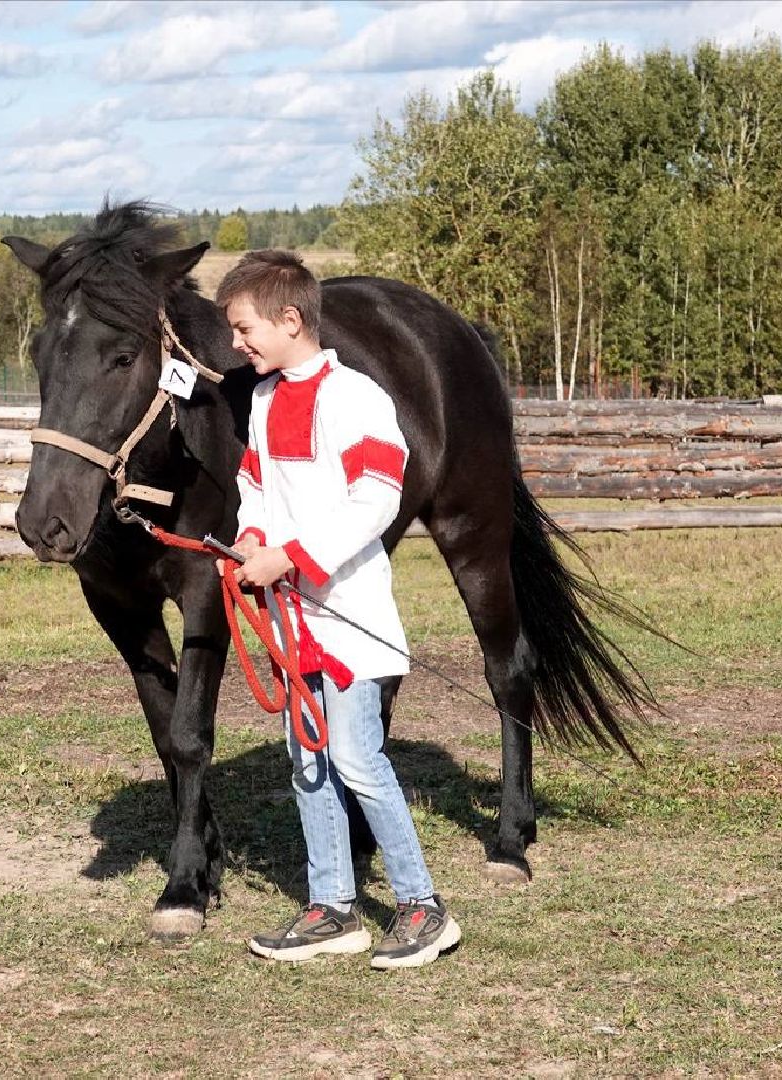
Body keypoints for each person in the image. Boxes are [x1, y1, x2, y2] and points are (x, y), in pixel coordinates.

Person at [214, 250, 460, 970]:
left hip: (349, 614)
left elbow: (377, 500)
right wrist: (252, 533)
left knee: (356, 757)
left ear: (290, 320)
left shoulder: (357, 398)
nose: (236, 344)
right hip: (294, 619)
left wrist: (289, 556)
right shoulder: (261, 402)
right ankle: (334, 908)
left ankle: (423, 907)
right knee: (307, 761)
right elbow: (256, 485)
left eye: (243, 328)